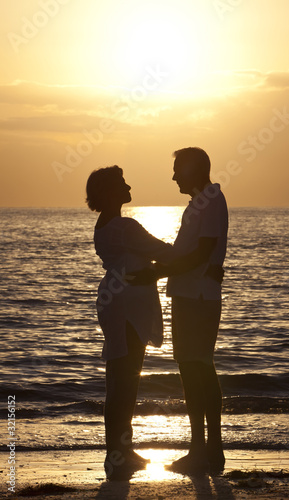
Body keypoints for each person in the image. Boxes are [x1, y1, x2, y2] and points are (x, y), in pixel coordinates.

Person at [131, 147, 228, 475]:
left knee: (196, 368)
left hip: (197, 296)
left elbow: (202, 254)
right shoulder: (202, 202)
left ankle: (205, 450)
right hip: (192, 294)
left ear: (194, 170)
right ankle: (206, 450)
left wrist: (155, 273)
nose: (173, 177)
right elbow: (192, 252)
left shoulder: (211, 200)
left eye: (178, 170)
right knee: (197, 367)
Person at [86, 165, 176, 480]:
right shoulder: (124, 226)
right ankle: (117, 457)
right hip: (125, 306)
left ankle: (122, 451)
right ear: (111, 191)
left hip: (116, 303)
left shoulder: (105, 225)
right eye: (122, 182)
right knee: (124, 383)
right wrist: (192, 254)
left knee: (121, 381)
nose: (128, 185)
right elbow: (161, 250)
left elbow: (146, 254)